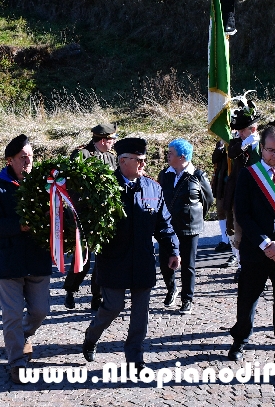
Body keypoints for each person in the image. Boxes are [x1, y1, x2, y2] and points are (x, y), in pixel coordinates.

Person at [82, 138, 180, 371]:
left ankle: (135, 358)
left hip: (142, 261)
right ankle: (91, 336)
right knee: (112, 307)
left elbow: (164, 224)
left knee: (140, 315)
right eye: (139, 160)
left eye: (145, 160)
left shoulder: (153, 188)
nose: (143, 165)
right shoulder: (104, 187)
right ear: (123, 160)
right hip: (114, 261)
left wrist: (173, 249)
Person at [227, 126, 275, 385]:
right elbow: (243, 214)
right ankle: (240, 339)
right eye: (271, 150)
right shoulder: (250, 176)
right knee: (247, 301)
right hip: (256, 251)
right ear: (262, 149)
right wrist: (265, 245)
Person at [0, 134, 52, 384]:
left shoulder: (43, 184)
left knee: (41, 311)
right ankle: (17, 361)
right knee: (12, 315)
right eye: (23, 158)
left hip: (37, 259)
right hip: (8, 262)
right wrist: (18, 226)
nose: (28, 161)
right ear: (10, 160)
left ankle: (23, 336)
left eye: (31, 156)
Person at [63, 123, 118, 311]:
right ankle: (70, 290)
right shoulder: (81, 155)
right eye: (111, 140)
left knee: (102, 258)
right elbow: (72, 183)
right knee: (83, 258)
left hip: (104, 215)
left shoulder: (111, 158)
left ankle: (97, 296)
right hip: (84, 214)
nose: (113, 144)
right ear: (103, 140)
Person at [158, 138, 214, 314]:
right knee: (164, 261)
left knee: (188, 265)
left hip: (190, 227)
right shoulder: (164, 175)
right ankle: (171, 288)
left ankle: (187, 299)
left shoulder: (198, 176)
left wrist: (195, 216)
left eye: (171, 153)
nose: (167, 155)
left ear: (182, 157)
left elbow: (208, 200)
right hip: (168, 227)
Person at [222, 109, 262, 278]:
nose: (239, 132)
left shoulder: (264, 142)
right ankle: (241, 265)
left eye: (242, 130)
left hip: (260, 192)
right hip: (239, 192)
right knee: (238, 228)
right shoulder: (236, 142)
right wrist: (244, 143)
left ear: (252, 129)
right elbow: (232, 153)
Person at [210, 139, 233, 252]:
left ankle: (234, 245)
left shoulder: (239, 142)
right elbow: (214, 159)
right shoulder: (222, 142)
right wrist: (221, 145)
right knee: (221, 212)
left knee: (231, 215)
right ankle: (225, 240)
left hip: (232, 182)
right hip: (221, 183)